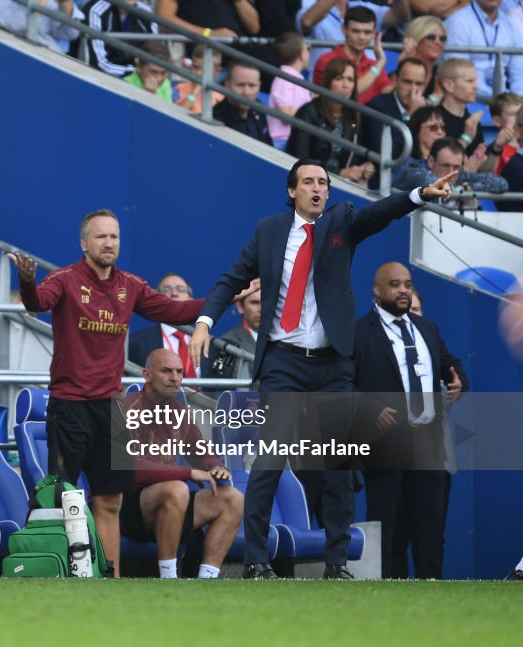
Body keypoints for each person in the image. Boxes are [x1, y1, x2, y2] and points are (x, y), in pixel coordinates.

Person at [190, 158, 456, 579]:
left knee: (338, 466)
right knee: (270, 460)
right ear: (292, 191)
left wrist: (419, 195)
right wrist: (204, 322)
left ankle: (335, 563)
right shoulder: (269, 231)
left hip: (332, 366)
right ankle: (257, 561)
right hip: (283, 363)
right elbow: (231, 279)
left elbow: (379, 214)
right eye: (309, 182)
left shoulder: (341, 223)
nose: (317, 188)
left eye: (323, 182)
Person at [9, 209, 207, 576]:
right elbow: (37, 302)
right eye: (101, 237)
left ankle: (109, 578)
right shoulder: (65, 279)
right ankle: (61, 568)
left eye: (114, 237)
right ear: (84, 243)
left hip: (111, 409)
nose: (109, 243)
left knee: (110, 500)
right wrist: (26, 283)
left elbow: (174, 309)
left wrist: (221, 302)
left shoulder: (129, 285)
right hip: (69, 406)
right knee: (64, 498)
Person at [354, 262, 467, 579]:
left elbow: (451, 363)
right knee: (388, 523)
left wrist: (460, 382)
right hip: (387, 441)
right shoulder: (359, 332)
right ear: (377, 290)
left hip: (428, 440)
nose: (403, 289)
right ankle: (384, 587)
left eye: (407, 284)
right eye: (395, 284)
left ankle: (431, 586)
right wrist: (368, 409)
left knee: (429, 525)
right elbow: (342, 383)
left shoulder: (426, 328)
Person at [121, 348, 243, 579]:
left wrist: (217, 467)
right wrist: (188, 472)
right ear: (147, 375)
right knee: (177, 487)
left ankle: (207, 579)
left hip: (172, 503)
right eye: (166, 371)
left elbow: (202, 453)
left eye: (179, 372)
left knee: (233, 499)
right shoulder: (125, 407)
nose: (175, 378)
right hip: (128, 506)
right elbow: (130, 469)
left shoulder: (179, 411)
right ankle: (169, 577)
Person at [287, 58, 377, 187]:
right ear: (328, 82)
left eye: (350, 80)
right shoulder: (308, 112)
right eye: (339, 79)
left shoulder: (354, 115)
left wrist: (366, 167)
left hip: (344, 185)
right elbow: (301, 158)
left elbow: (358, 156)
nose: (345, 85)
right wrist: (339, 172)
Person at [297, 0, 409, 74]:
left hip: (369, 78)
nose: (361, 37)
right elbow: (307, 22)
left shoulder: (361, 6)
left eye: (366, 32)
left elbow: (401, 17)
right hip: (330, 84)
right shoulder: (309, 6)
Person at [312, 6, 393, 105]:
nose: (361, 37)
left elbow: (390, 92)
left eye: (367, 32)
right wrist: (380, 63)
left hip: (362, 120)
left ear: (374, 33)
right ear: (343, 30)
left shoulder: (373, 66)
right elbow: (347, 95)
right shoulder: (327, 60)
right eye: (355, 31)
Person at [445, 0, 523, 100]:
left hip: (503, 105)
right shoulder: (458, 22)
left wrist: (517, 105)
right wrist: (499, 101)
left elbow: (520, 76)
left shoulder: (512, 26)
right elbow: (458, 75)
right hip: (467, 100)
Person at [393, 136, 508, 202]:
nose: (451, 172)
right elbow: (427, 181)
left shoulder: (459, 175)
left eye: (456, 167)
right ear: (431, 162)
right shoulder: (413, 172)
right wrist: (460, 190)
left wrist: (469, 187)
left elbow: (501, 183)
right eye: (446, 165)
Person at [362, 58, 429, 161]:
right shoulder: (376, 107)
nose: (413, 90)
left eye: (419, 84)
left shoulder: (427, 110)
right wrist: (411, 116)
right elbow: (388, 153)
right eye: (407, 82)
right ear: (394, 80)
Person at [127, 273, 195, 370]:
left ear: (191, 300)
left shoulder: (208, 344)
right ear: (156, 300)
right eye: (166, 290)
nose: (174, 294)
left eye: (180, 289)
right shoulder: (137, 342)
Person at [75, 0, 159, 78]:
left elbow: (157, 56)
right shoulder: (95, 10)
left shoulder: (146, 12)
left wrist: (143, 73)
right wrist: (138, 72)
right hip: (99, 79)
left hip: (139, 78)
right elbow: (98, 64)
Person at [0, 0, 83, 53]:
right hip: (4, 52)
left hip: (49, 59)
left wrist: (65, 4)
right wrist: (39, 5)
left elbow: (70, 34)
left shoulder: (49, 3)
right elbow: (10, 23)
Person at [268, 31, 313, 149]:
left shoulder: (295, 77)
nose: (309, 53)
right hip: (282, 139)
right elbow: (285, 113)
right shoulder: (284, 78)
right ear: (301, 54)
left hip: (292, 137)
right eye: (307, 49)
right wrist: (307, 117)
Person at [212, 61, 273, 145]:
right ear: (227, 85)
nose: (246, 92)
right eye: (240, 85)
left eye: (252, 85)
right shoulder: (215, 118)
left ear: (259, 87)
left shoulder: (260, 110)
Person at [208, 287, 260, 382]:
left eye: (266, 302)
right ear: (240, 307)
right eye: (255, 302)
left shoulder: (286, 339)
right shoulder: (227, 343)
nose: (261, 308)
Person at [435, 58, 485, 157]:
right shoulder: (432, 120)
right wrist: (466, 137)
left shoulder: (473, 123)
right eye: (469, 81)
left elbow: (480, 165)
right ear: (449, 85)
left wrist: (497, 148)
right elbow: (437, 163)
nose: (476, 86)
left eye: (475, 81)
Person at [398, 15, 448, 99]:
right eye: (431, 37)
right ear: (417, 38)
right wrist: (436, 97)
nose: (438, 42)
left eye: (442, 38)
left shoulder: (440, 75)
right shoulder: (399, 72)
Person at [174, 45, 224, 116]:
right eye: (195, 67)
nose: (199, 73)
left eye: (204, 69)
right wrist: (195, 92)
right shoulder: (180, 88)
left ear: (217, 71)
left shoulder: (220, 98)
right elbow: (178, 115)